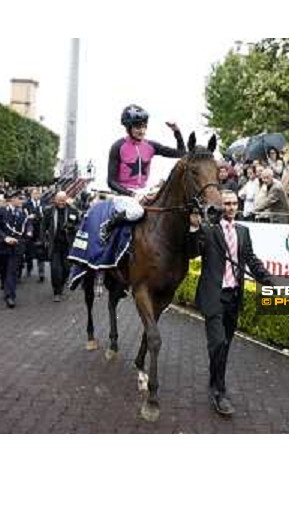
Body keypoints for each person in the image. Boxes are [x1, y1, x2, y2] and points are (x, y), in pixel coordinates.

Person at [188, 190, 273, 417]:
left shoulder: (243, 232)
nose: (231, 207)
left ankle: (215, 377)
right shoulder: (209, 230)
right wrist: (195, 229)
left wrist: (269, 280)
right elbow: (193, 252)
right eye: (226, 203)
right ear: (220, 205)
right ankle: (219, 392)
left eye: (234, 203)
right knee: (217, 343)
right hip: (213, 296)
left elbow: (251, 260)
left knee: (224, 345)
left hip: (234, 297)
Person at [102, 105, 185, 242]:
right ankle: (109, 225)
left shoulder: (150, 145)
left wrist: (176, 131)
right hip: (124, 194)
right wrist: (132, 194)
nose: (142, 130)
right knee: (137, 212)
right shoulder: (117, 146)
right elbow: (111, 182)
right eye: (137, 127)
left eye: (144, 126)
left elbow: (181, 153)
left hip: (144, 190)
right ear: (128, 128)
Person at [0, 191, 33, 308]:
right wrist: (5, 238)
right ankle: (6, 288)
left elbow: (28, 223)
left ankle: (10, 296)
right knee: (4, 270)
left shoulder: (23, 213)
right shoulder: (1, 211)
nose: (22, 201)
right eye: (19, 199)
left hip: (17, 247)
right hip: (3, 247)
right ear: (12, 199)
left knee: (12, 271)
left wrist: (29, 231)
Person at [42, 192, 81, 302]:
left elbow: (80, 225)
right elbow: (43, 226)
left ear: (66, 199)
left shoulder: (73, 211)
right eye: (59, 200)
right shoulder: (49, 211)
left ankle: (62, 283)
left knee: (66, 269)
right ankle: (57, 292)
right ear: (55, 199)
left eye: (63, 200)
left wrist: (72, 227)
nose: (61, 202)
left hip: (67, 245)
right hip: (54, 245)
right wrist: (44, 240)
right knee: (55, 269)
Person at [24, 188, 46, 282]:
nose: (37, 195)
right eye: (35, 193)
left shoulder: (44, 203)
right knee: (29, 251)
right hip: (29, 231)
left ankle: (41, 273)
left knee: (41, 252)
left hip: (40, 231)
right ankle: (29, 267)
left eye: (38, 193)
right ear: (31, 194)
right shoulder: (26, 204)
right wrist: (28, 217)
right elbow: (24, 216)